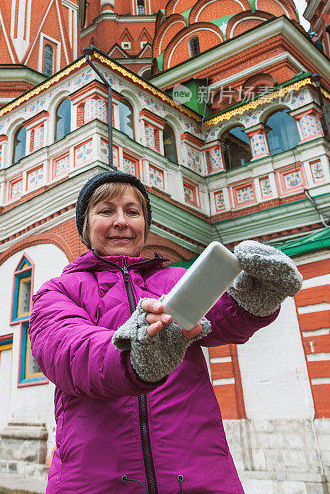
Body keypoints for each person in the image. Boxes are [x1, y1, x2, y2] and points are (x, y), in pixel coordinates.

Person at [29, 171, 303, 494]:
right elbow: (70, 352)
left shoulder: (174, 279)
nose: (121, 221)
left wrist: (253, 299)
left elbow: (220, 316)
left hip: (199, 478)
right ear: (85, 229)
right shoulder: (59, 292)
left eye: (132, 212)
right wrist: (131, 355)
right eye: (106, 211)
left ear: (144, 225)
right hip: (97, 482)